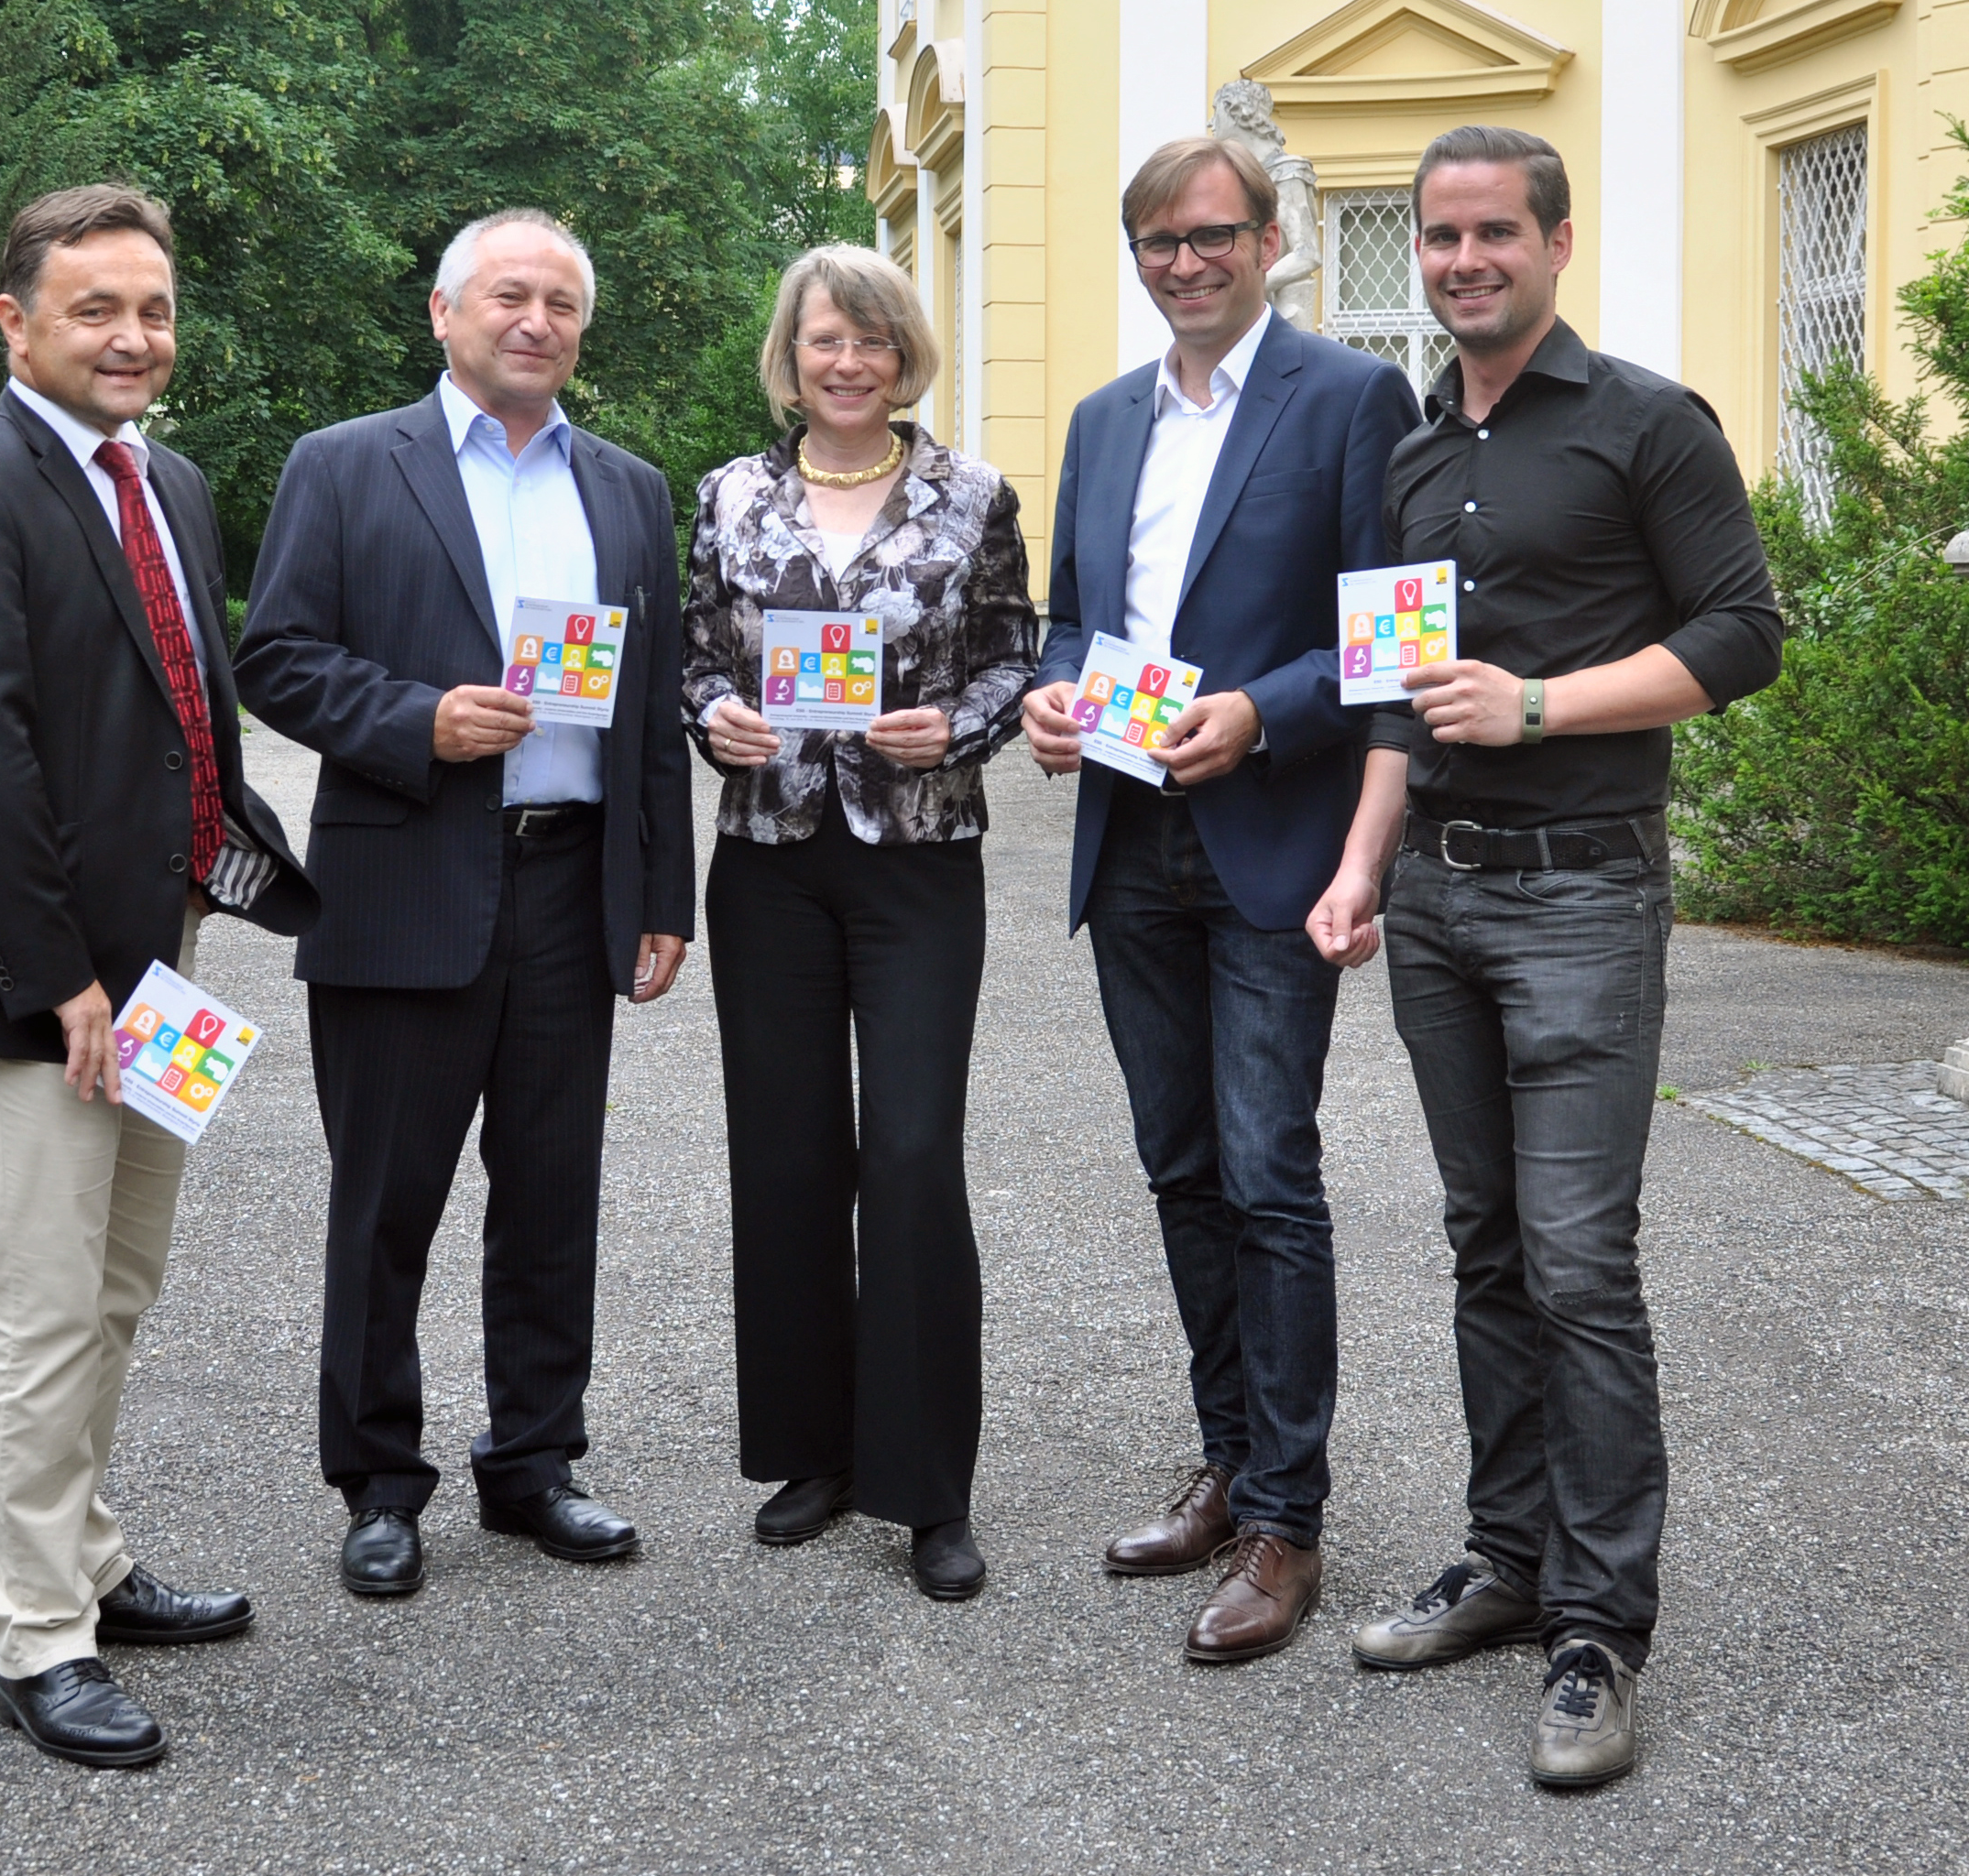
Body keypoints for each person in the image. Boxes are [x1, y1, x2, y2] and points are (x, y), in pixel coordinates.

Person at [1309, 125, 1782, 1786]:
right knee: (1488, 1244)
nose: (1460, 262)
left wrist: (1539, 705)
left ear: (1556, 243)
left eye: (1492, 232)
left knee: (1581, 1259)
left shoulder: (1649, 423)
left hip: (1584, 891)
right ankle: (1507, 1560)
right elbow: (1389, 689)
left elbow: (1744, 634)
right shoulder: (1413, 455)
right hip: (1434, 896)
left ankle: (1599, 1626)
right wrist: (1361, 869)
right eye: (1436, 238)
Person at [0, 185, 318, 1768]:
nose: (135, 338)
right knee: (43, 1306)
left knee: (120, 1288)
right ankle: (35, 1631)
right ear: (14, 322)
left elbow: (189, 714)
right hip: (35, 982)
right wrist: (60, 974)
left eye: (154, 308)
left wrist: (256, 882)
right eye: (95, 310)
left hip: (163, 967)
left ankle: (92, 1562)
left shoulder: (172, 482)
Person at [234, 209, 694, 1597]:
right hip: (403, 876)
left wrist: (662, 894)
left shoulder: (627, 490)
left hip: (570, 881)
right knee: (386, 1204)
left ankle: (536, 1460)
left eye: (561, 300)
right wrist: (416, 720)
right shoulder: (344, 466)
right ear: (445, 313)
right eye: (510, 295)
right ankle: (379, 1481)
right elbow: (276, 657)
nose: (536, 320)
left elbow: (652, 716)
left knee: (552, 1194)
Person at [1020, 136, 1420, 1661]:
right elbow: (1073, 622)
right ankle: (1228, 1461)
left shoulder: (1350, 400)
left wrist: (1261, 712)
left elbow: (1386, 641)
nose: (1183, 264)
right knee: (1181, 1166)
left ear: (1272, 240)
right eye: (1156, 243)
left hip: (1268, 839)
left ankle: (1287, 1523)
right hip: (1131, 840)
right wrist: (1058, 701)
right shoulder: (1104, 418)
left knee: (1269, 1172)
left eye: (1210, 237)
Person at [682, 245, 1037, 1602]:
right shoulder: (731, 495)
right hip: (768, 857)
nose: (849, 362)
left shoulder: (972, 495)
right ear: (793, 351)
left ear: (905, 356)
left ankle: (927, 1485)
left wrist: (961, 722)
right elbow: (697, 660)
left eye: (874, 342)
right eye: (827, 340)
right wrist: (711, 717)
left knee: (907, 1154)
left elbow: (1019, 647)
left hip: (917, 861)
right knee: (783, 1159)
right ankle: (813, 1452)